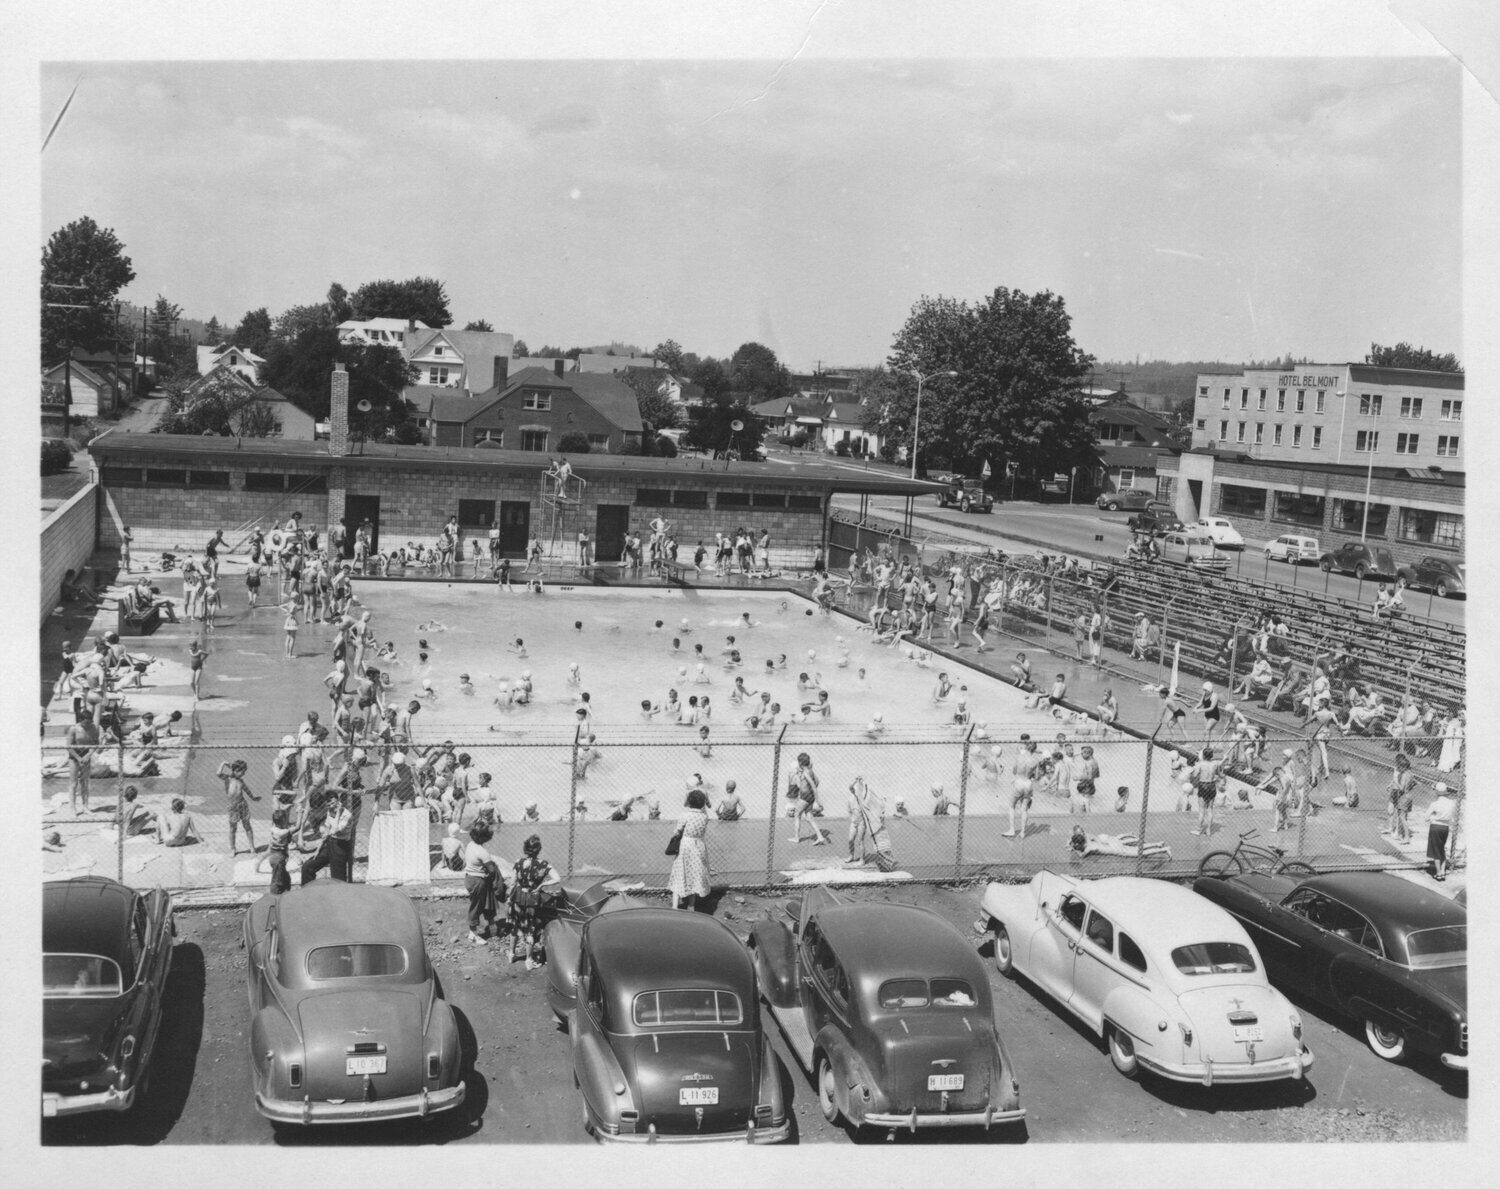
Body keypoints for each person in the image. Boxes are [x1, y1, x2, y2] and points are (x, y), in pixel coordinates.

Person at [510, 834, 561, 967]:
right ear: (538, 849)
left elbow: (513, 881)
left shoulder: (518, 862)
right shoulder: (544, 864)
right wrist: (542, 885)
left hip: (519, 895)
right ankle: (528, 960)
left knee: (516, 925)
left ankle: (511, 954)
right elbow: (557, 878)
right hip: (532, 897)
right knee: (530, 927)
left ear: (525, 849)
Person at [669, 790, 713, 910]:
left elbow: (677, 831)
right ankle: (691, 905)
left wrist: (674, 838)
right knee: (693, 874)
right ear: (703, 803)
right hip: (699, 846)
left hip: (686, 846)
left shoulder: (685, 815)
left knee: (680, 872)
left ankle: (674, 906)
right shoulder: (704, 817)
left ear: (689, 802)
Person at [463, 821, 502, 944]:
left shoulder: (470, 845)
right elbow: (491, 869)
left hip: (469, 877)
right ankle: (474, 934)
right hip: (478, 881)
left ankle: (491, 925)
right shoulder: (482, 852)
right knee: (476, 907)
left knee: (483, 902)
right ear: (484, 837)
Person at [847, 776, 896, 871]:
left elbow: (872, 806)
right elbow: (850, 788)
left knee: (860, 841)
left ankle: (862, 860)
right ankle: (851, 856)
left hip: (862, 822)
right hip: (855, 822)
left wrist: (861, 783)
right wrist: (855, 781)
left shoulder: (862, 800)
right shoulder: (854, 796)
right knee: (850, 840)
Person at [218, 758, 262, 855]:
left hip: (242, 804)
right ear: (235, 771)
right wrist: (223, 763)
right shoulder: (228, 779)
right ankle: (233, 848)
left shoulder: (241, 781)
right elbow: (218, 774)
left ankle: (252, 847)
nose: (243, 774)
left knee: (247, 826)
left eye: (244, 772)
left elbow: (247, 790)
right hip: (233, 806)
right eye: (241, 772)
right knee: (233, 828)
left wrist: (253, 798)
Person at [788, 752, 826, 845]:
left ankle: (796, 838)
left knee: (797, 814)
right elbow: (817, 782)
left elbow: (813, 785)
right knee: (809, 817)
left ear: (800, 763)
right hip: (810, 797)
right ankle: (820, 837)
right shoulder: (810, 771)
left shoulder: (805, 773)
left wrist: (818, 800)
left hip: (805, 797)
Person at [65, 713, 99, 815]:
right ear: (81, 720)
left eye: (90, 722)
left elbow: (96, 743)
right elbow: (68, 746)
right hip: (74, 756)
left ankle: (85, 807)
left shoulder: (93, 728)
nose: (88, 724)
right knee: (73, 784)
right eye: (86, 722)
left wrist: (88, 755)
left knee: (85, 783)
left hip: (86, 755)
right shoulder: (73, 729)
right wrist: (78, 758)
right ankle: (73, 808)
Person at [1425, 784, 1456, 880]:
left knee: (1435, 850)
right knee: (1441, 848)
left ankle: (1438, 873)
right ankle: (1443, 871)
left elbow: (1426, 818)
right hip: (1445, 827)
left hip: (1435, 826)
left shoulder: (1434, 804)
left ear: (1437, 792)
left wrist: (1433, 816)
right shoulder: (1451, 803)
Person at [1384, 754, 1416, 842]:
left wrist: (1395, 781)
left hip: (1403, 796)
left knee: (1401, 816)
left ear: (1403, 766)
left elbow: (1401, 787)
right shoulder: (1409, 774)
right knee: (1400, 815)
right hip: (1407, 795)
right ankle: (1401, 834)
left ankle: (1404, 835)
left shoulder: (1405, 774)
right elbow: (1413, 783)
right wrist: (1392, 784)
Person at [1189, 747, 1220, 836]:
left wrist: (1194, 769)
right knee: (1210, 809)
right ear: (1212, 755)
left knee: (1202, 810)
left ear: (1203, 755)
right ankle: (1209, 830)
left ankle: (1199, 830)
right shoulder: (1215, 764)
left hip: (1203, 785)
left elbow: (1194, 775)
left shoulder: (1200, 764)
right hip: (1212, 786)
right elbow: (1219, 774)